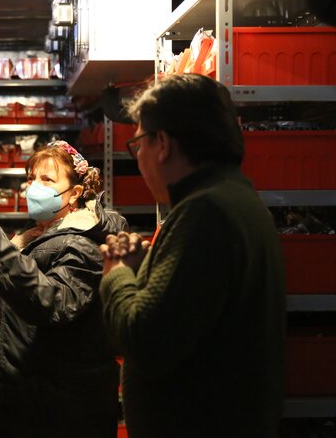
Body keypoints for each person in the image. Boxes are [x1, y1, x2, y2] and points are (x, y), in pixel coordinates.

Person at [98, 74, 286, 438]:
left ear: (163, 144)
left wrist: (117, 272)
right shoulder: (234, 199)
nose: (139, 161)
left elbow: (145, 340)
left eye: (139, 144)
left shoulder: (205, 214)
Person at [0, 140, 127, 438]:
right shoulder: (38, 235)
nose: (34, 187)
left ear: (74, 193)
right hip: (31, 401)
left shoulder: (82, 244)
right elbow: (25, 285)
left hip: (58, 413)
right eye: (31, 178)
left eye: (47, 179)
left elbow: (52, 302)